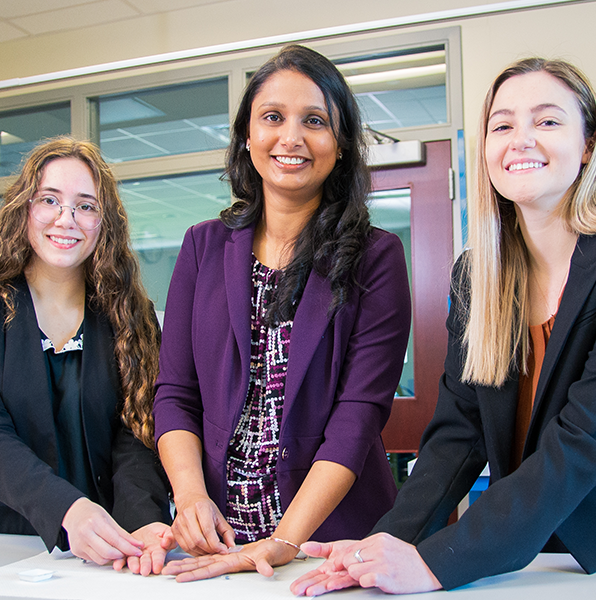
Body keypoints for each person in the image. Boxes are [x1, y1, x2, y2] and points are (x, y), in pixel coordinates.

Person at [291, 57, 596, 595]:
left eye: (547, 121)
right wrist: (381, 548)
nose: (521, 140)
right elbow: (457, 435)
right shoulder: (478, 278)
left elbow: (589, 437)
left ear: (588, 144)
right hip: (531, 544)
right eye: (502, 125)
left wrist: (439, 563)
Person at [152, 44, 411, 582]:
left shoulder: (376, 257)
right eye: (273, 117)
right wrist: (191, 495)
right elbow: (175, 392)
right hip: (217, 542)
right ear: (248, 136)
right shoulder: (202, 248)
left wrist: (283, 542)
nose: (291, 138)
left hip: (329, 548)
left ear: (339, 144)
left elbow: (357, 415)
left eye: (314, 121)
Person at [0, 137, 173, 576]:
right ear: (24, 208)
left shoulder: (130, 316)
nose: (67, 219)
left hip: (107, 551)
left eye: (86, 206)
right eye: (50, 200)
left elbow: (135, 436)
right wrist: (68, 509)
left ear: (105, 222)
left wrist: (146, 522)